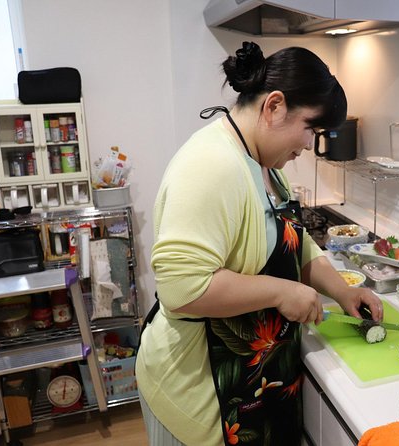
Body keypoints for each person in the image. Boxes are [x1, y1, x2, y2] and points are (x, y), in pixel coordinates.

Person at [135, 41, 383, 446]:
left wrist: (343, 291)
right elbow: (181, 289)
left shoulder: (262, 164)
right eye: (309, 127)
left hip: (252, 387)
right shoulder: (211, 166)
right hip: (199, 393)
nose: (307, 144)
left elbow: (292, 244)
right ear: (274, 106)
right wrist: (282, 291)